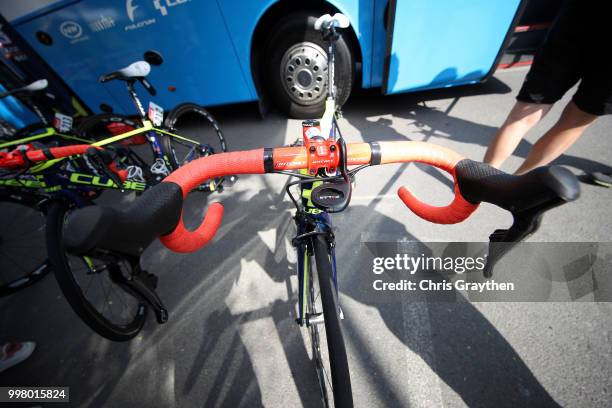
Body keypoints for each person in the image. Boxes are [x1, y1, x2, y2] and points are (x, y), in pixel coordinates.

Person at [483, 0, 611, 175]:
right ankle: (514, 186)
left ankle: (482, 181)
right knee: (573, 122)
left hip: (580, 18)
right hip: (580, 20)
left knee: (523, 117)